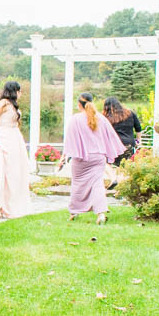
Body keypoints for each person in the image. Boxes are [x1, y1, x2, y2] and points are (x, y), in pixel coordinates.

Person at [59, 92, 126, 224]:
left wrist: (63, 157)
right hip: (98, 157)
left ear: (79, 105)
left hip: (82, 157)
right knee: (97, 185)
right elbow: (111, 136)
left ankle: (74, 212)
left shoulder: (76, 119)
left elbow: (70, 141)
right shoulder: (101, 118)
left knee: (78, 185)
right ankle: (100, 214)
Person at [0, 81, 31, 219]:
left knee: (15, 171)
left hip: (14, 138)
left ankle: (12, 203)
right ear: (14, 91)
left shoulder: (14, 105)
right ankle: (2, 205)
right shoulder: (3, 103)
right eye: (19, 91)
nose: (20, 94)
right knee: (4, 171)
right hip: (3, 136)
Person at [102, 96, 141, 165]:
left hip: (113, 146)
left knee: (112, 167)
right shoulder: (130, 113)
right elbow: (138, 128)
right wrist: (138, 140)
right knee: (127, 165)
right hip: (128, 145)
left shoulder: (105, 117)